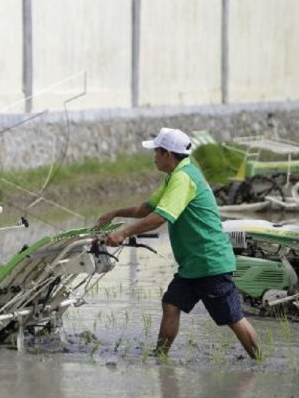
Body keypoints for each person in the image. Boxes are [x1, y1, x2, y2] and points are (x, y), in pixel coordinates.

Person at [96, 128, 260, 359]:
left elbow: (160, 217)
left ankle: (260, 362)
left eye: (156, 152)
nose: (153, 157)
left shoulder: (183, 179)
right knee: (171, 304)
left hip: (209, 261)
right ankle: (160, 357)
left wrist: (123, 233)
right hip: (193, 264)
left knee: (232, 317)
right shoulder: (175, 176)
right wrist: (114, 213)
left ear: (168, 154)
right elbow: (146, 209)